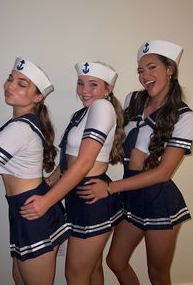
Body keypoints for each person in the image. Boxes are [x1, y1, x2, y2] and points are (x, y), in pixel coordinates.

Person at [77, 40, 193, 285]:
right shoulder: (133, 100)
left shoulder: (184, 116)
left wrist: (109, 188)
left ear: (169, 69)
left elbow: (163, 173)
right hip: (131, 195)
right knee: (115, 261)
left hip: (159, 200)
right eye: (141, 71)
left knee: (158, 274)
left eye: (151, 68)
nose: (145, 76)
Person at [0, 57, 71, 285]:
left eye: (21, 84)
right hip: (23, 210)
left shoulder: (19, 129)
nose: (10, 85)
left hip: (33, 214)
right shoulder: (22, 124)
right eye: (11, 78)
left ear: (38, 97)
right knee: (19, 280)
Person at [20, 61, 125, 285]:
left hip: (89, 197)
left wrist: (47, 201)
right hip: (78, 194)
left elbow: (85, 162)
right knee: (92, 269)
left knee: (75, 275)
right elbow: (71, 158)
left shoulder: (101, 107)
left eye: (93, 84)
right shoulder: (82, 113)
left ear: (108, 89)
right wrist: (50, 180)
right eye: (80, 83)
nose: (84, 90)